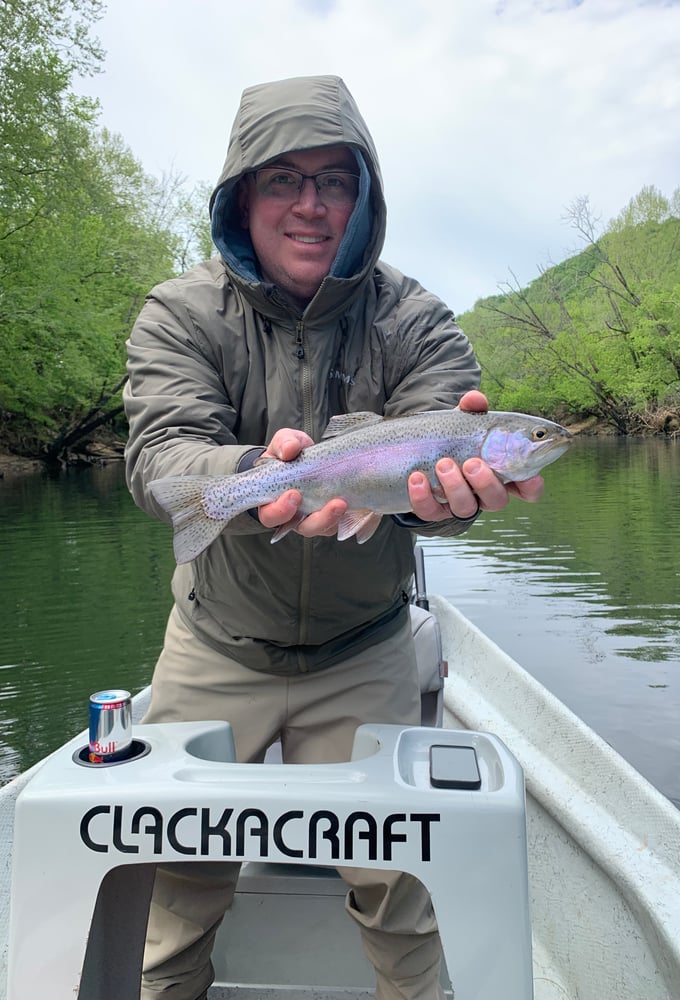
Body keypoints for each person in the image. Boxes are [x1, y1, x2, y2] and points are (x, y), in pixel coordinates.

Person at [124, 75, 544, 1000]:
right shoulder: (180, 312)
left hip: (367, 649)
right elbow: (160, 456)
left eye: (336, 181)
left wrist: (457, 498)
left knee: (399, 892)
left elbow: (443, 435)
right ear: (243, 197)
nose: (312, 205)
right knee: (175, 885)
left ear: (365, 197)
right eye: (284, 179)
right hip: (215, 642)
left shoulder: (415, 318)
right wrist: (247, 480)